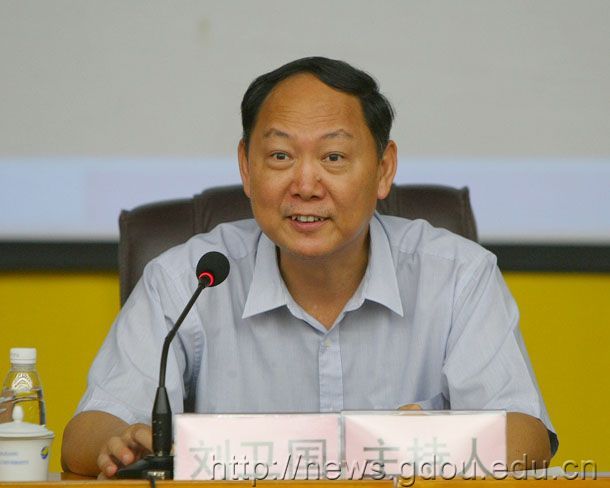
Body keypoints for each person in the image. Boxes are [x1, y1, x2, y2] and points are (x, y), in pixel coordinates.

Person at [61, 57, 557, 478]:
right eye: (280, 155)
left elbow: (527, 438)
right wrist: (119, 445)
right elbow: (87, 432)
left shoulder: (457, 275)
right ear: (246, 167)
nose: (305, 185)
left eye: (333, 157)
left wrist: (426, 441)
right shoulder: (188, 280)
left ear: (383, 169)